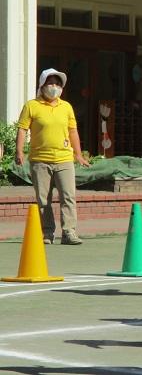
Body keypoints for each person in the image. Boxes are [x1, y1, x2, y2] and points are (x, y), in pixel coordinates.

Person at [15, 68, 90, 245]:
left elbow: (73, 131)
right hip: (40, 160)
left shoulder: (66, 107)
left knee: (68, 196)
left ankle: (69, 232)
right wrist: (19, 151)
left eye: (57, 83)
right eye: (50, 83)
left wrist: (78, 154)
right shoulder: (31, 106)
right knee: (43, 199)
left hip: (64, 159)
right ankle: (47, 233)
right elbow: (22, 129)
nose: (54, 87)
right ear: (42, 85)